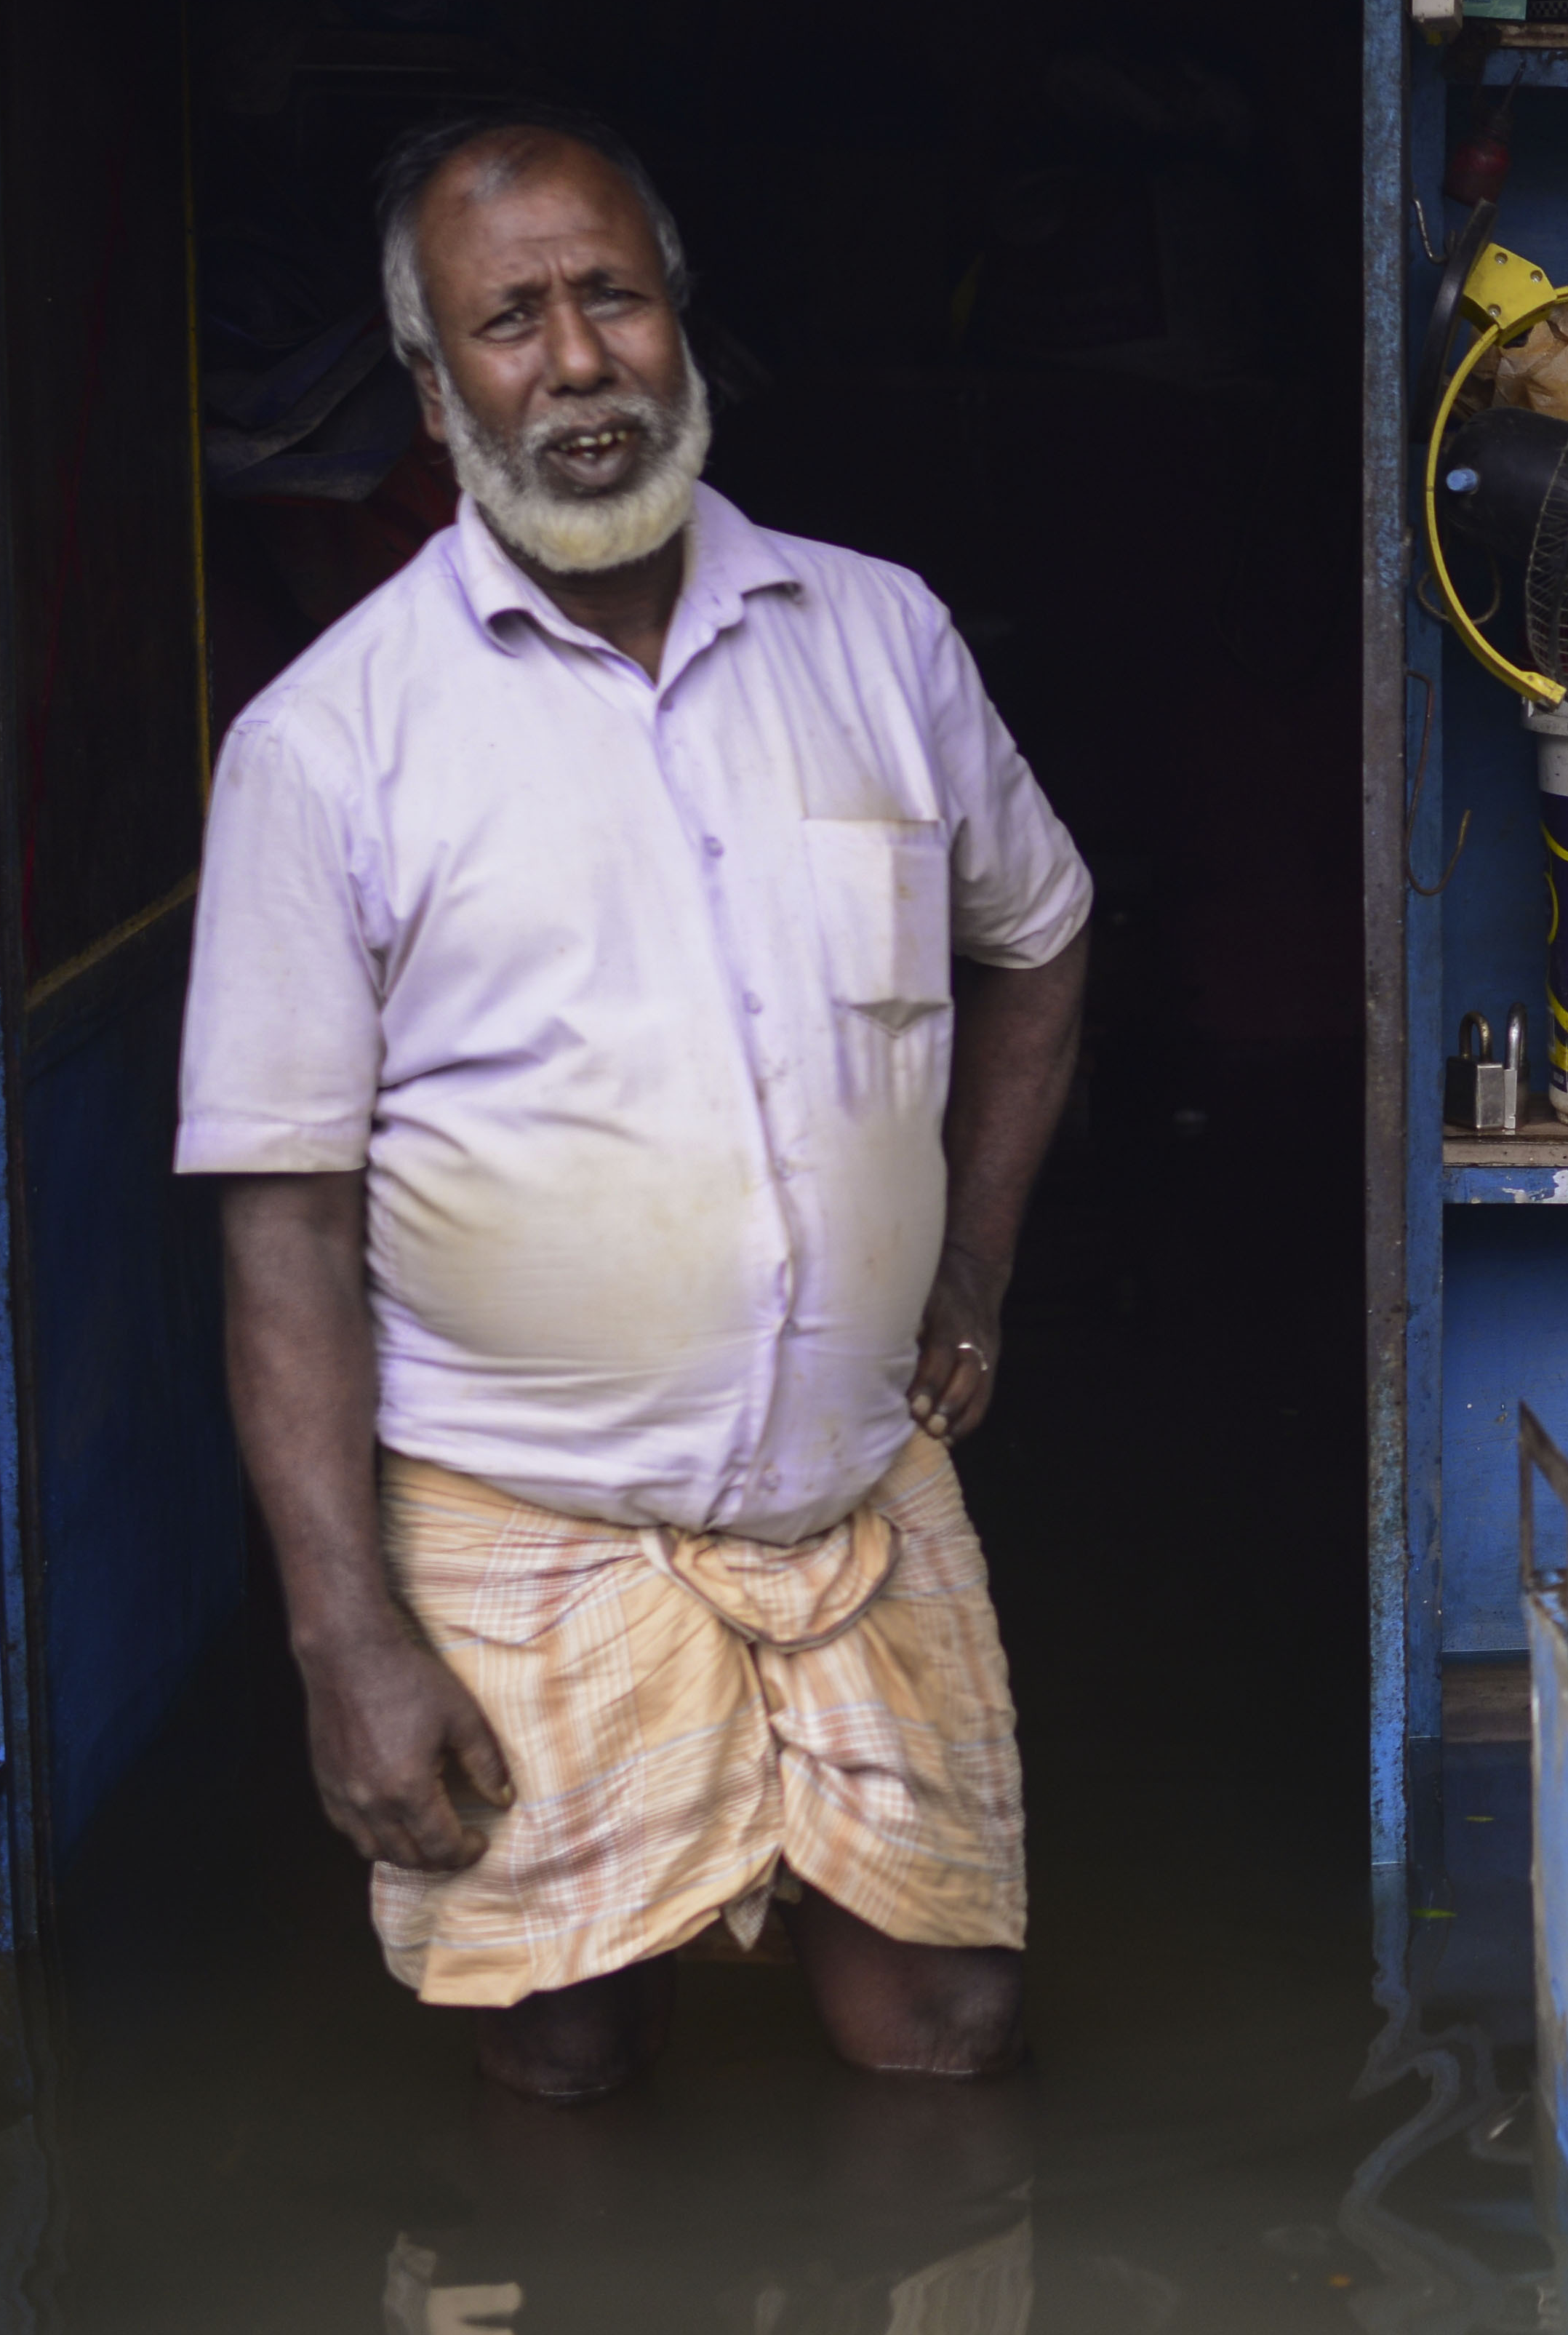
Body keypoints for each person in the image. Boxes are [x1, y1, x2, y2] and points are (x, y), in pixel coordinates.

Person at [179, 109, 1094, 2101]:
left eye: (614, 296)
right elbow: (282, 1229)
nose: (577, 362)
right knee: (564, 2050)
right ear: (431, 387)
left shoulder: (881, 636)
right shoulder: (328, 747)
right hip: (519, 1510)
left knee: (948, 2023)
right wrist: (346, 1640)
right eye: (509, 321)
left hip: (860, 1475)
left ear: (686, 325)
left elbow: (1041, 936)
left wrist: (976, 1270)